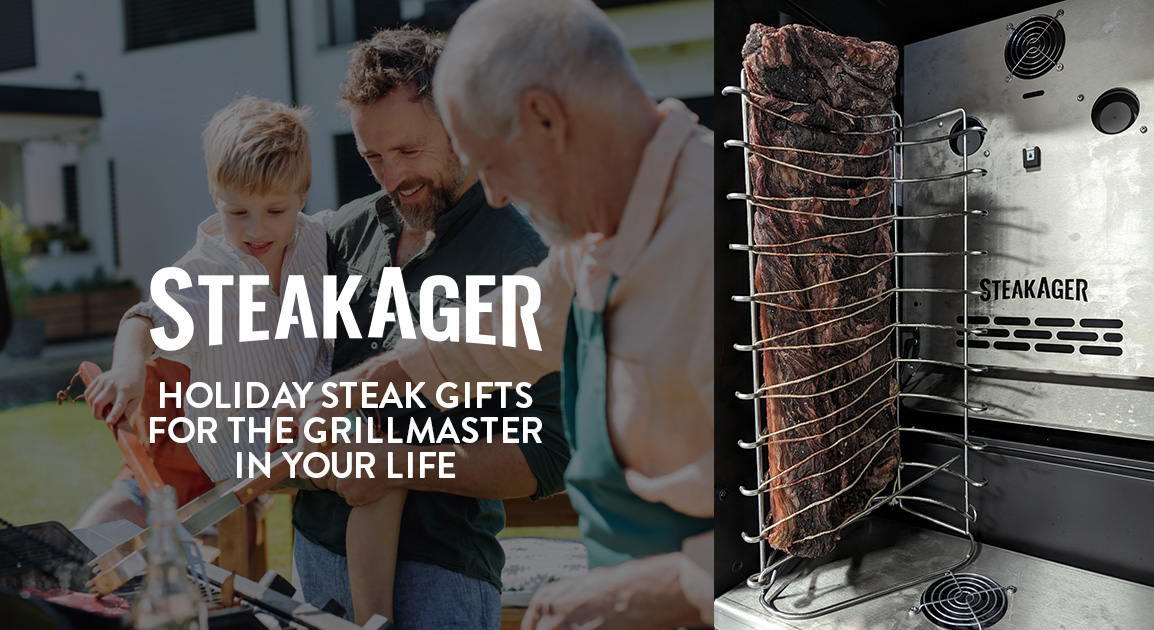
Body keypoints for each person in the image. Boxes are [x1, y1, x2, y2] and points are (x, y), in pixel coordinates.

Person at [299, 1, 715, 628]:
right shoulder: (599, 237)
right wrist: (351, 390)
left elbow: (813, 517)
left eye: (491, 161)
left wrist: (655, 591)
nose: (493, 194)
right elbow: (500, 331)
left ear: (545, 117)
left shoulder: (731, 237)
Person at [80, 95, 409, 624]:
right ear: (215, 197)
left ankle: (370, 618)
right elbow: (140, 319)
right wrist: (127, 369)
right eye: (237, 212)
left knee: (381, 469)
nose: (256, 230)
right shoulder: (203, 272)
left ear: (302, 196)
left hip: (301, 421)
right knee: (376, 470)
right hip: (239, 443)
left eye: (275, 211)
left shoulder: (317, 238)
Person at [286, 27, 569, 629]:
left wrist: (394, 463)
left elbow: (547, 456)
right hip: (316, 550)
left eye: (409, 151)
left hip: (441, 575)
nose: (392, 177)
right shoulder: (345, 232)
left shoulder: (523, 260)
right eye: (373, 157)